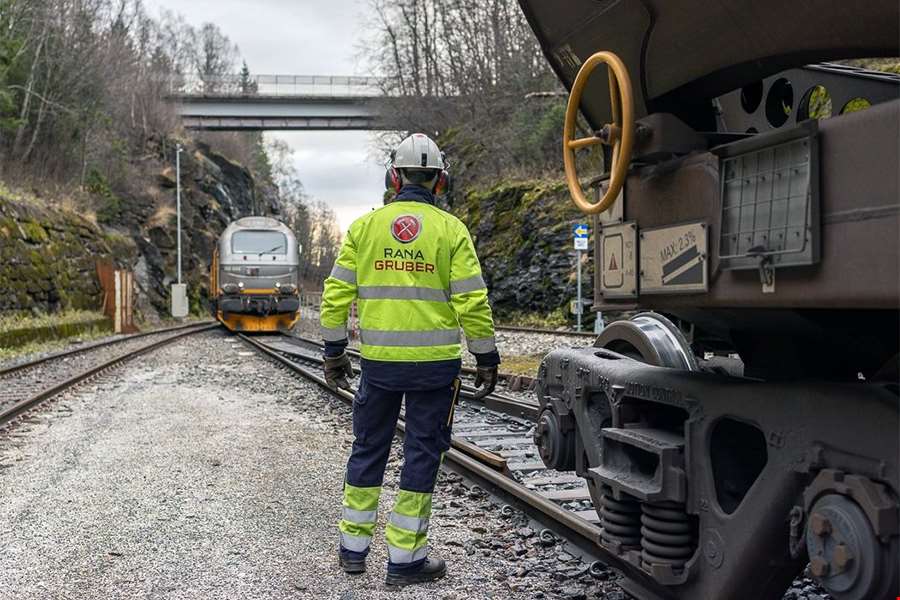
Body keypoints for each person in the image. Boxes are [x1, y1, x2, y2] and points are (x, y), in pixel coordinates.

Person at [319, 133, 500, 587]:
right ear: (440, 182)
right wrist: (486, 355)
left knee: (368, 449)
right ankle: (404, 561)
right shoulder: (452, 231)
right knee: (422, 453)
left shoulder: (364, 228)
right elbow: (472, 302)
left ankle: (353, 551)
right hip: (436, 370)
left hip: (379, 367)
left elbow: (335, 296)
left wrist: (335, 352)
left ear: (393, 178)